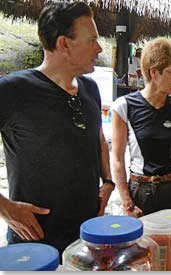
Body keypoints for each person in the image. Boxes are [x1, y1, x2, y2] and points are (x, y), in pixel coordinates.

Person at [0, 2, 114, 256]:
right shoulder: (14, 90)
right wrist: (5, 208)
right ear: (64, 44)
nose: (99, 48)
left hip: (87, 237)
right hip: (35, 244)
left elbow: (98, 139)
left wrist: (107, 181)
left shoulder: (90, 89)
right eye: (92, 39)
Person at [111, 37, 171, 217]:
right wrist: (127, 202)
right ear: (154, 72)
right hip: (141, 190)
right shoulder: (124, 107)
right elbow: (117, 160)